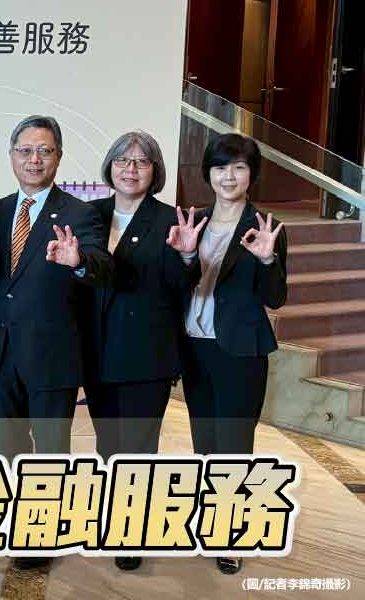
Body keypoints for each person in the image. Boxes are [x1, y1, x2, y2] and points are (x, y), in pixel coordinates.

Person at [0, 115, 113, 571]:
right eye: (25, 150)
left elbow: (102, 268)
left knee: (50, 449)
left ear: (59, 157)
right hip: (0, 351)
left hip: (53, 353)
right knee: (9, 444)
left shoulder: (80, 213)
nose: (34, 159)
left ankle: (42, 532)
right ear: (12, 156)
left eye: (44, 151)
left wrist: (78, 261)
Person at [84, 131, 203, 572]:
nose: (130, 169)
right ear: (109, 167)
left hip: (146, 353)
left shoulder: (169, 219)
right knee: (108, 442)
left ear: (155, 171)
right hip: (97, 351)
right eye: (122, 160)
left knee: (137, 445)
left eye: (141, 161)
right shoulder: (90, 215)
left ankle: (131, 530)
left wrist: (187, 258)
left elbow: (179, 287)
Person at [182, 133, 288, 576]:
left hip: (240, 351)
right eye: (221, 167)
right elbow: (177, 284)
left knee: (233, 445)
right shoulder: (195, 220)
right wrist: (185, 256)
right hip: (194, 347)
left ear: (251, 174)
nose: (229, 176)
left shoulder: (264, 227)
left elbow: (276, 298)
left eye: (239, 167)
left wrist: (266, 260)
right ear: (208, 173)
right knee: (204, 443)